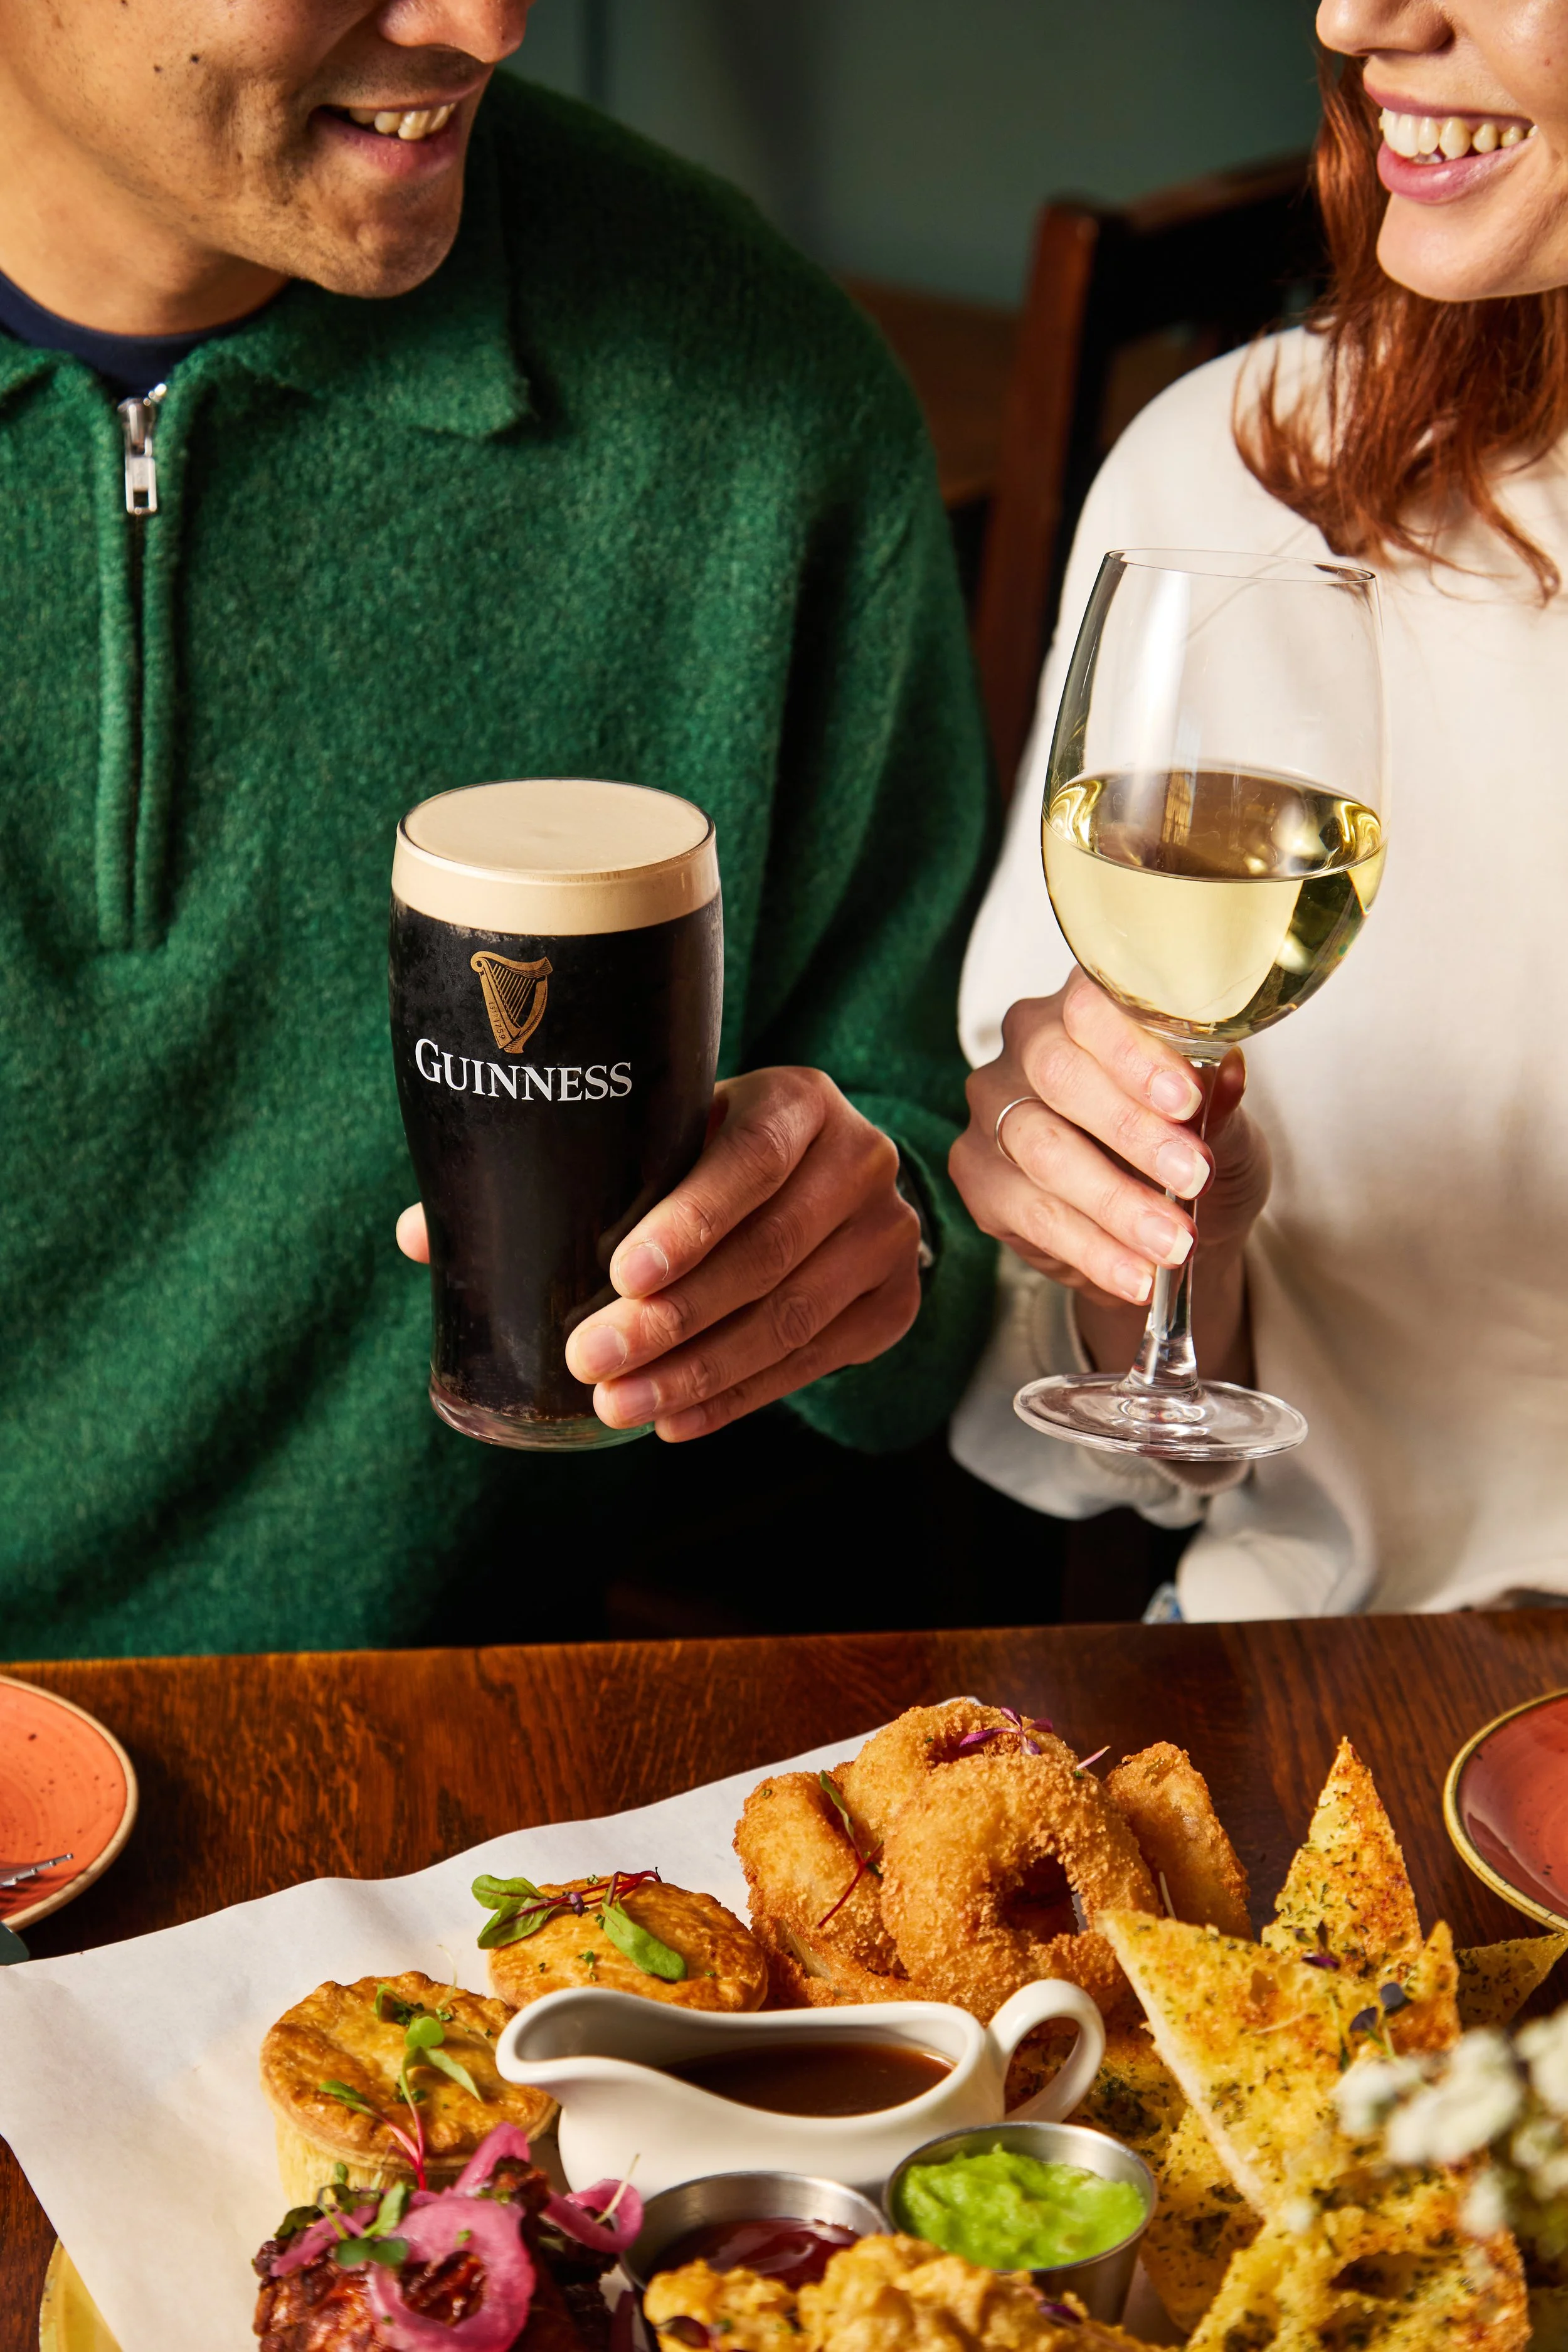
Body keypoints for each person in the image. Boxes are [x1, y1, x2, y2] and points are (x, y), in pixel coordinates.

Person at [0, 1, 997, 1657]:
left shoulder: (764, 396)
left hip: (458, 1744)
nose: (488, 21)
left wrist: (861, 1252)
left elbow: (942, 1218)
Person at [948, 0, 1568, 1619]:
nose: (1357, 19)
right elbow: (1148, 1452)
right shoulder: (1239, 483)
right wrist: (1169, 1235)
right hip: (1326, 1687)